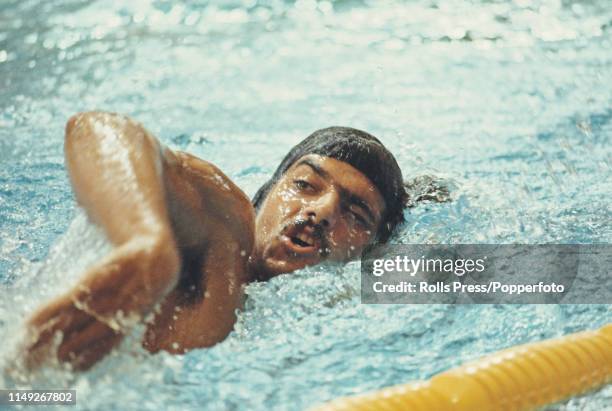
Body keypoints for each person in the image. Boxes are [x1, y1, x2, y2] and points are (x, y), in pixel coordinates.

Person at [23, 112, 412, 371]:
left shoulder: (349, 301)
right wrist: (146, 242)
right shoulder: (223, 232)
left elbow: (465, 272)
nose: (323, 210)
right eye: (304, 184)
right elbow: (97, 129)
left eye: (356, 215)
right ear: (265, 193)